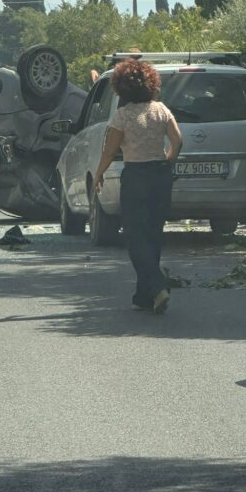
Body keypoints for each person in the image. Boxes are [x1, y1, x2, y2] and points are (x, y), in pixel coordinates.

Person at [94, 59, 182, 313]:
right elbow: (177, 141)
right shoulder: (162, 110)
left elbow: (109, 151)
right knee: (153, 234)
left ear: (121, 88)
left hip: (136, 177)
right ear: (151, 84)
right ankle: (144, 296)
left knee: (134, 236)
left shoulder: (123, 115)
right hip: (160, 176)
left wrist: (99, 174)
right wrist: (167, 162)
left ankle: (157, 285)